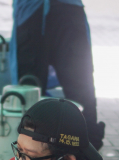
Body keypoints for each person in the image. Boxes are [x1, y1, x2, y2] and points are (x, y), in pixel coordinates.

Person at [10, 0, 105, 149]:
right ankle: (87, 152)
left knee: (30, 91)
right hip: (69, 14)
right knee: (80, 88)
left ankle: (31, 154)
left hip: (33, 15)